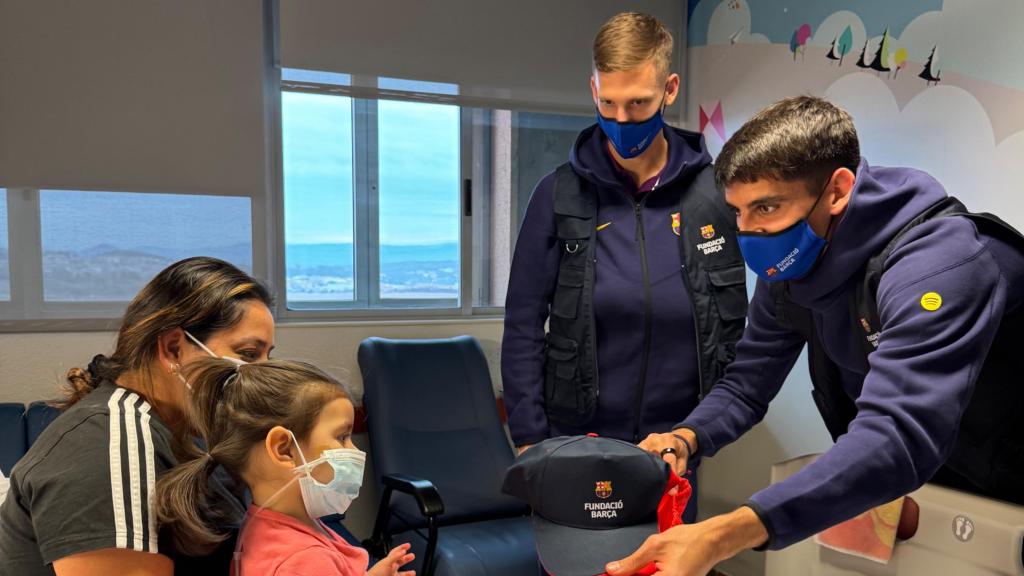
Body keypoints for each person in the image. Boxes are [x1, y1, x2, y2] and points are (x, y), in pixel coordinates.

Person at [606, 95, 1024, 575]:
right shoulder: (790, 266)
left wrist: (724, 534)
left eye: (766, 207)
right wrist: (686, 437)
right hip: (935, 474)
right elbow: (748, 382)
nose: (749, 234)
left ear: (837, 190)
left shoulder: (940, 266)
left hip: (1005, 470)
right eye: (738, 213)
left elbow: (899, 432)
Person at [501, 11, 747, 523]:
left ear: (669, 89)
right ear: (592, 88)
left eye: (639, 103)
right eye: (608, 102)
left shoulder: (715, 195)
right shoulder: (558, 195)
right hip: (575, 444)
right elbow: (523, 324)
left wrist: (698, 432)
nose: (623, 120)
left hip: (673, 451)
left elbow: (741, 327)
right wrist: (528, 440)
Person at [0, 256, 276, 576]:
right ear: (173, 349)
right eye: (248, 355)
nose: (263, 376)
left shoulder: (186, 430)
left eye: (268, 356)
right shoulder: (106, 447)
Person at [154, 357, 415, 576]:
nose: (355, 451)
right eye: (342, 437)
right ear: (283, 448)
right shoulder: (305, 562)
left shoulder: (267, 524)